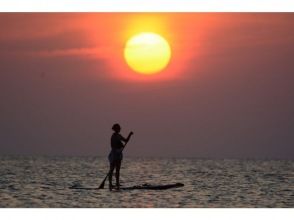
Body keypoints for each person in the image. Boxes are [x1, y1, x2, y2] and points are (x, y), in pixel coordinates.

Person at [108, 123, 133, 190]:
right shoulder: (113, 136)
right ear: (115, 129)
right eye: (118, 128)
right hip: (114, 154)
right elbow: (112, 145)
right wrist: (116, 151)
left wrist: (130, 135)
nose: (119, 129)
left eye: (119, 128)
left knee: (118, 170)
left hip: (119, 154)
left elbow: (126, 141)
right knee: (112, 169)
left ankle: (117, 183)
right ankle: (110, 184)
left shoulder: (119, 136)